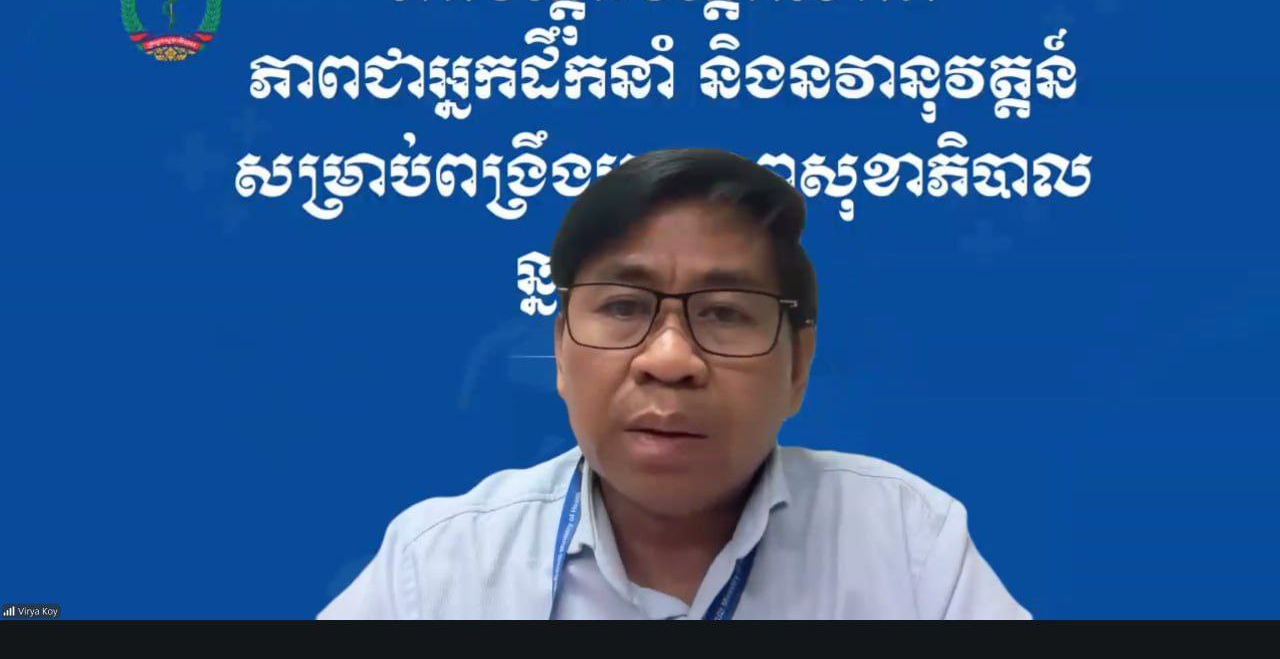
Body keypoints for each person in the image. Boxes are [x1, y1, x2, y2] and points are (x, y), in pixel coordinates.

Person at [318, 147, 1032, 620]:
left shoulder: (906, 541)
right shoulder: (439, 565)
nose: (668, 359)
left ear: (798, 365)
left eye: (724, 313)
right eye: (623, 308)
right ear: (561, 351)